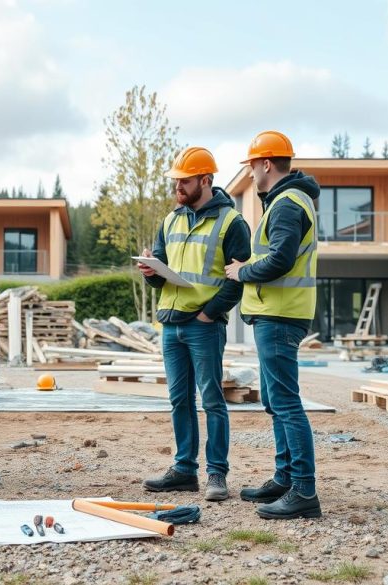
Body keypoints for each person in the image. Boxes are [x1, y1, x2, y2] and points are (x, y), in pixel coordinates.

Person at [137, 146, 251, 501]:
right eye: (175, 181)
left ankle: (217, 474)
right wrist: (150, 272)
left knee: (213, 400)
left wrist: (207, 313)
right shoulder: (171, 220)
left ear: (205, 180)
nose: (177, 187)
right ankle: (184, 471)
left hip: (204, 326)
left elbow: (239, 278)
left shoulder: (233, 223)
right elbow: (163, 275)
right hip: (171, 324)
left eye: (183, 181)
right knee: (179, 400)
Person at [224, 131, 322, 519]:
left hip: (281, 315)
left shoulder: (285, 204)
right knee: (274, 400)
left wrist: (242, 271)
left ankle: (303, 490)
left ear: (266, 163)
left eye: (251, 165)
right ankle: (284, 478)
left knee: (285, 402)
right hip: (278, 313)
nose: (249, 173)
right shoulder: (289, 200)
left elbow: (280, 259)